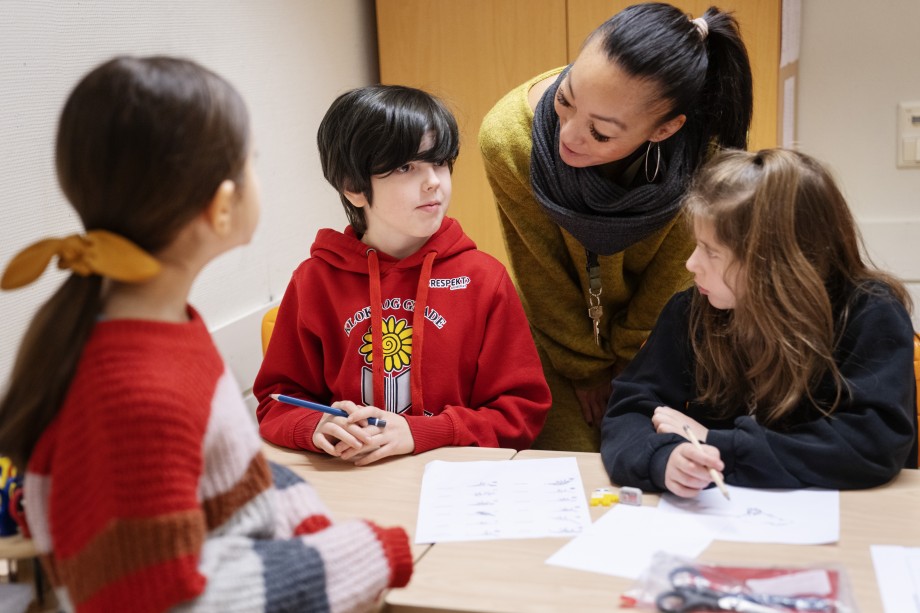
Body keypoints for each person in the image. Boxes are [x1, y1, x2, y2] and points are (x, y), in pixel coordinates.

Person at [0, 56, 412, 612]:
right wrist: (364, 552)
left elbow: (236, 480)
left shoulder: (166, 325)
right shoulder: (132, 389)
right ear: (222, 206)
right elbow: (165, 600)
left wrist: (310, 525)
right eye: (252, 163)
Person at [479, 2, 754, 451]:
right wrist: (583, 369)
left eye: (601, 133)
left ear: (664, 130)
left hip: (663, 340)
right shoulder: (509, 139)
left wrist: (636, 364)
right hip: (556, 337)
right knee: (569, 466)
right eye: (566, 100)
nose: (567, 136)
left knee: (652, 467)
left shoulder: (706, 155)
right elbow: (539, 269)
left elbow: (677, 275)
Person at [253, 85, 551, 466]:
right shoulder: (314, 282)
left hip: (455, 482)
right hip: (354, 481)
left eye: (440, 163)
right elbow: (276, 401)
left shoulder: (483, 279)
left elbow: (522, 412)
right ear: (354, 187)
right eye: (407, 167)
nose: (433, 182)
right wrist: (315, 425)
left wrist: (423, 432)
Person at [601, 148, 919, 496]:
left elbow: (871, 446)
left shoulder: (870, 313)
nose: (692, 264)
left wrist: (720, 443)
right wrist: (665, 458)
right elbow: (629, 410)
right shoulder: (692, 310)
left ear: (775, 263)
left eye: (712, 251)